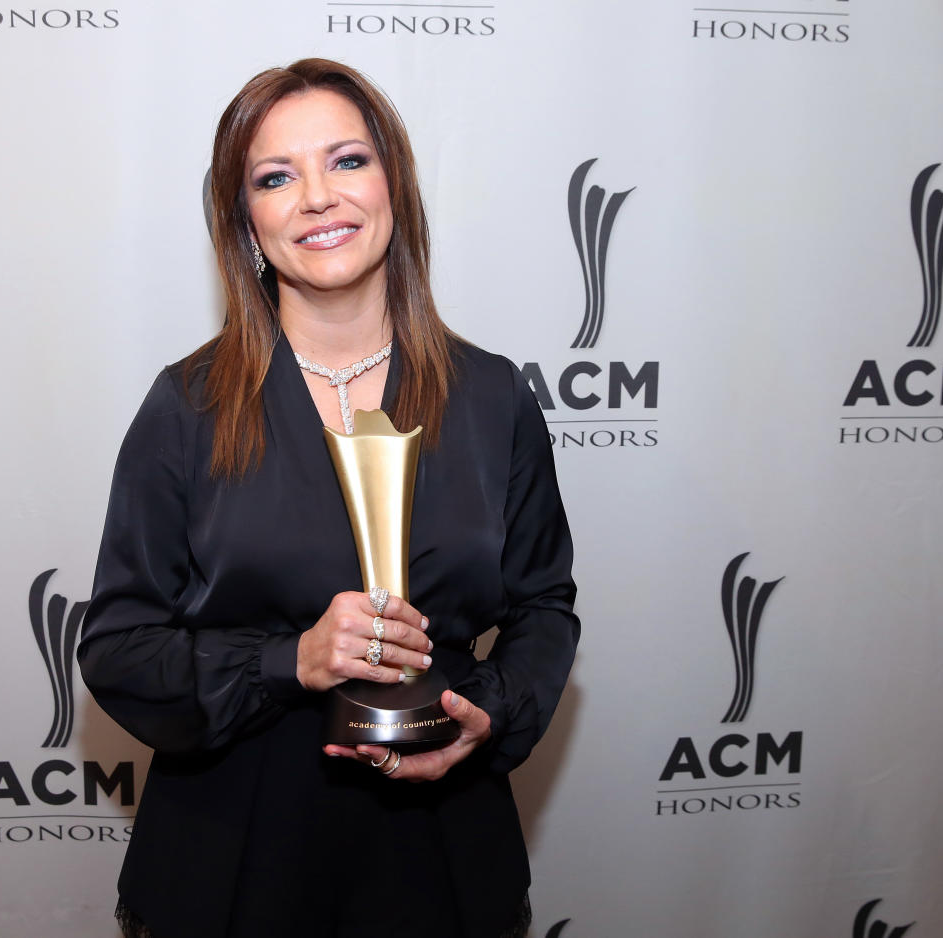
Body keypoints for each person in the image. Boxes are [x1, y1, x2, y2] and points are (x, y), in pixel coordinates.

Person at [78, 57, 579, 938]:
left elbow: (544, 605)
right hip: (235, 862)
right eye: (277, 177)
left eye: (346, 161)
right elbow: (121, 649)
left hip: (444, 860)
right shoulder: (186, 407)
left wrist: (488, 715)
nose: (318, 197)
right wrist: (292, 660)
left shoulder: (495, 397)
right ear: (246, 222)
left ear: (394, 183)